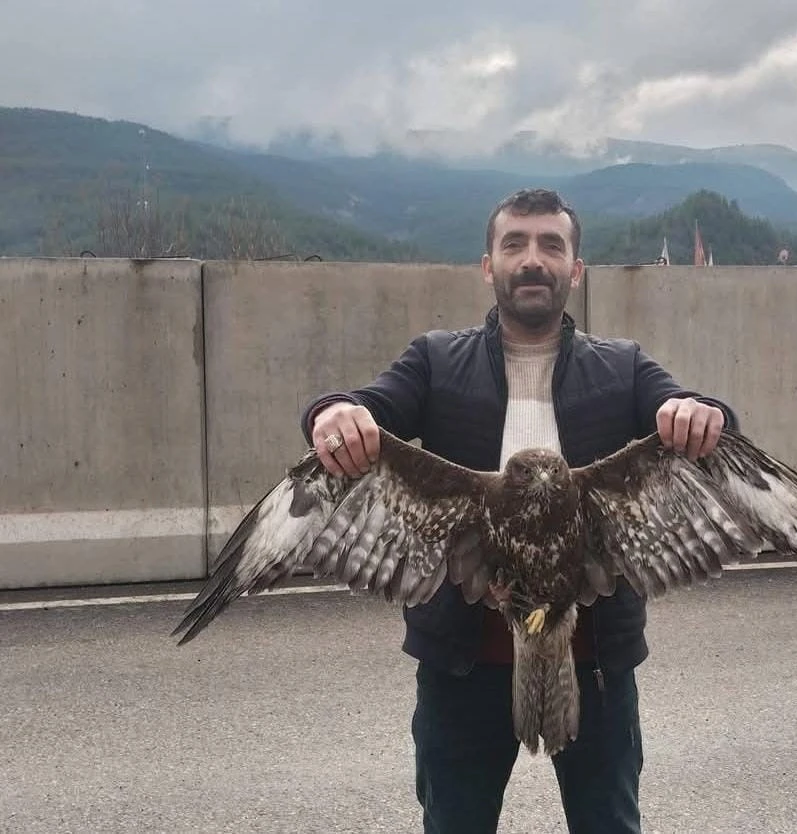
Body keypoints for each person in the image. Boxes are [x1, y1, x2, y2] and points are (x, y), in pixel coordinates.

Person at [299, 188, 739, 834]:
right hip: (462, 666)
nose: (533, 259)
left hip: (594, 663)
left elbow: (702, 423)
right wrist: (330, 413)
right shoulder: (435, 362)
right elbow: (364, 409)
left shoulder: (622, 368)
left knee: (609, 826)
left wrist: (705, 413)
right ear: (489, 266)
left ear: (575, 270)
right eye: (515, 244)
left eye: (551, 246)